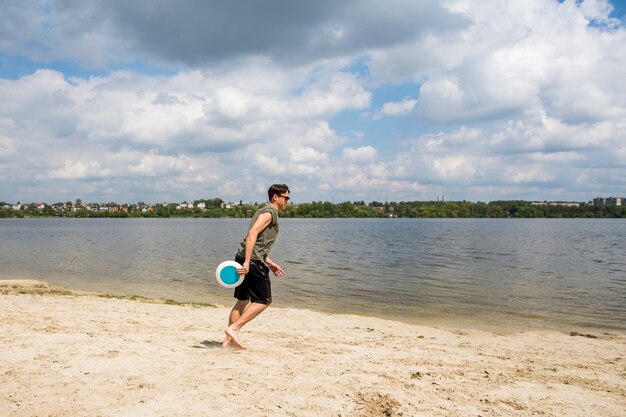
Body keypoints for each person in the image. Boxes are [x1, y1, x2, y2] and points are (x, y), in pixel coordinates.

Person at [222, 184, 290, 349]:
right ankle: (234, 329)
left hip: (246, 257)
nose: (288, 201)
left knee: (243, 300)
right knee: (264, 300)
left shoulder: (263, 210)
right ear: (275, 197)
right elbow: (252, 234)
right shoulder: (270, 212)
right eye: (286, 197)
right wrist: (247, 262)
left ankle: (228, 342)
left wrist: (270, 263)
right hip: (251, 261)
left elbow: (256, 242)